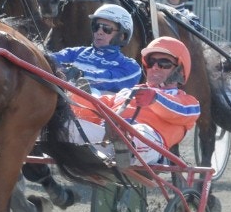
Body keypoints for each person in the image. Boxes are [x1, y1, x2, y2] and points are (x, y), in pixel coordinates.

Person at [70, 36, 201, 165]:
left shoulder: (187, 102)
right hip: (106, 138)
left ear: (179, 71)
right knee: (69, 126)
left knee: (140, 131)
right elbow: (96, 110)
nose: (155, 67)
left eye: (163, 63)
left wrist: (155, 98)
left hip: (149, 144)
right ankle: (120, 140)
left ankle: (125, 143)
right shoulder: (126, 92)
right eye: (151, 62)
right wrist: (77, 95)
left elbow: (180, 111)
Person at [52, 4, 142, 95]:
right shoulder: (75, 53)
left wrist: (81, 75)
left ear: (122, 36)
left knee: (94, 92)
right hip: (63, 102)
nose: (99, 32)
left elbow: (110, 79)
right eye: (96, 27)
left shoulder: (130, 66)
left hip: (97, 105)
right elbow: (50, 59)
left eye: (106, 29)